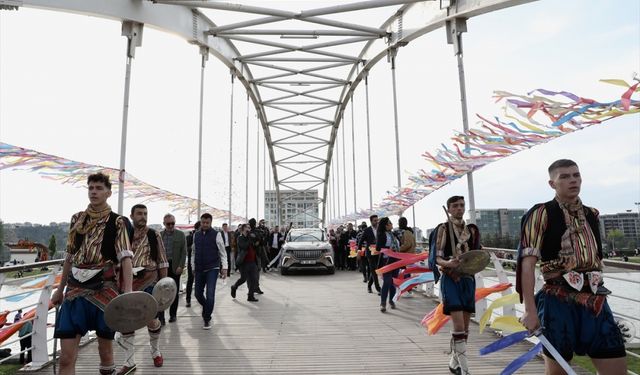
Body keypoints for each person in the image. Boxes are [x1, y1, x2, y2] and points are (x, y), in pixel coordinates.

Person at [517, 159, 626, 375]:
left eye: (576, 175)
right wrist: (529, 310)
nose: (572, 180)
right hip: (558, 300)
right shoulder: (541, 213)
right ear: (552, 184)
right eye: (564, 177)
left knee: (615, 366)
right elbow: (527, 265)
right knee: (559, 372)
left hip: (595, 299)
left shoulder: (592, 214)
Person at [52, 172, 133, 375]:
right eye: (91, 188)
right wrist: (59, 290)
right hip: (74, 292)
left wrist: (129, 293)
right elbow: (69, 257)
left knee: (105, 352)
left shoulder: (118, 222)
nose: (94, 192)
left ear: (108, 193)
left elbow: (125, 259)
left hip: (104, 291)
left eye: (98, 188)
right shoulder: (77, 219)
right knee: (66, 357)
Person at [115, 204, 169, 374]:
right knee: (127, 322)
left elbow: (162, 261)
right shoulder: (124, 235)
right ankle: (129, 361)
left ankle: (155, 351)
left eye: (145, 213)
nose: (143, 216)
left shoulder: (154, 234)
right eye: (139, 213)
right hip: (128, 283)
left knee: (151, 319)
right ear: (132, 215)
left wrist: (165, 286)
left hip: (149, 280)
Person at [433, 195, 481, 375]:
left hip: (468, 279)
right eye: (455, 206)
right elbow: (436, 257)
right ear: (450, 208)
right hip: (451, 279)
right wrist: (447, 264)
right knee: (459, 326)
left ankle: (454, 363)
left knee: (466, 328)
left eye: (462, 205)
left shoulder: (472, 231)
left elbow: (477, 254)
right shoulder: (443, 228)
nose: (459, 208)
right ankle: (465, 369)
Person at [192, 213, 227, 329]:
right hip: (198, 269)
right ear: (200, 222)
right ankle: (207, 307)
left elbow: (223, 253)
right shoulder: (195, 235)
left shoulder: (217, 235)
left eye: (207, 223)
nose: (205, 224)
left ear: (211, 223)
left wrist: (225, 268)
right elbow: (193, 252)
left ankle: (207, 318)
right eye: (203, 222)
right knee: (197, 294)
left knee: (210, 294)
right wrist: (192, 267)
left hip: (213, 268)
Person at [159, 213, 186, 324]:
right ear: (164, 224)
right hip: (162, 266)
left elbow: (184, 252)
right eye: (168, 224)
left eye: (172, 223)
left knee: (173, 291)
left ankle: (173, 315)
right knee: (160, 292)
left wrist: (181, 266)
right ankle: (161, 317)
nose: (170, 225)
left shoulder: (180, 234)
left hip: (175, 267)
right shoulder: (159, 235)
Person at [231, 224, 260, 302]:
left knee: (254, 279)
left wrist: (256, 240)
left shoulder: (250, 237)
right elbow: (244, 246)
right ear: (244, 229)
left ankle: (250, 296)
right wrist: (250, 239)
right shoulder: (240, 238)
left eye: (249, 228)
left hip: (252, 261)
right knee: (243, 279)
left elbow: (256, 244)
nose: (249, 229)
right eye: (247, 228)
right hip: (244, 262)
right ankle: (234, 287)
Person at [376, 217, 399, 313]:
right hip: (386, 261)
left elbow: (398, 246)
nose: (392, 224)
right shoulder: (381, 235)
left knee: (393, 282)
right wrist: (389, 250)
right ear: (385, 225)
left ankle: (391, 300)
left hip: (396, 261)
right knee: (387, 282)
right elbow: (378, 248)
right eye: (390, 223)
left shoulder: (393, 234)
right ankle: (383, 303)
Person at [358, 215, 381, 294]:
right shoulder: (367, 230)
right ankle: (378, 288)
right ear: (371, 221)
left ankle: (369, 285)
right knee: (374, 270)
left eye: (377, 220)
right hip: (370, 253)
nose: (376, 222)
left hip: (378, 252)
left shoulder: (380, 229)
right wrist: (359, 251)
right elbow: (361, 241)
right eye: (375, 220)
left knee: (374, 270)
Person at [184, 221, 201, 308]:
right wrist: (194, 246)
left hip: (202, 262)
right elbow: (186, 249)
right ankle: (188, 299)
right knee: (190, 280)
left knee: (201, 281)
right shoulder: (189, 237)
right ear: (197, 228)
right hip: (192, 262)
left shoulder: (205, 237)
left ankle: (200, 298)